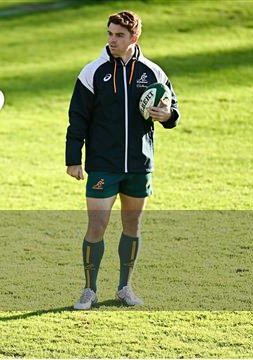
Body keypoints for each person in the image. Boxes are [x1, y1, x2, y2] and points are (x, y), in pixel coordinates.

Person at [65, 11, 180, 310]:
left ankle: (124, 287)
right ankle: (89, 290)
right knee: (97, 225)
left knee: (133, 225)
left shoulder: (153, 72)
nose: (112, 40)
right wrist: (73, 158)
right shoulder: (93, 72)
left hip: (140, 164)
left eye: (119, 35)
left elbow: (172, 108)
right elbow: (77, 118)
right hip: (103, 163)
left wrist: (168, 115)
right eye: (110, 34)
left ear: (134, 38)